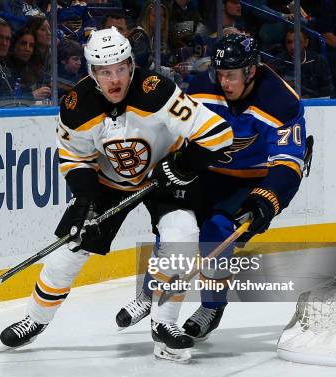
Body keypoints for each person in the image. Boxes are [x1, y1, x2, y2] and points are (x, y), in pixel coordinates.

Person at [0, 27, 234, 362]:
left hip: (163, 175)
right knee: (71, 248)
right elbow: (74, 157)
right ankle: (34, 319)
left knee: (183, 233)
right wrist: (84, 199)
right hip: (108, 182)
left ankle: (165, 325)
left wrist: (181, 168)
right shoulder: (76, 105)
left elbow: (218, 134)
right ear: (92, 73)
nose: (115, 79)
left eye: (121, 69)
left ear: (131, 66)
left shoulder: (157, 91)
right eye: (105, 72)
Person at [115, 33, 307, 342]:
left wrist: (266, 200)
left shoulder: (281, 101)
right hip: (207, 171)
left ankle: (211, 307)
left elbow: (289, 164)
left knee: (217, 230)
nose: (224, 82)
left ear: (251, 71)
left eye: (231, 75)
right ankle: (149, 293)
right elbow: (182, 130)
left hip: (251, 179)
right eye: (220, 74)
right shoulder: (204, 86)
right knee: (173, 222)